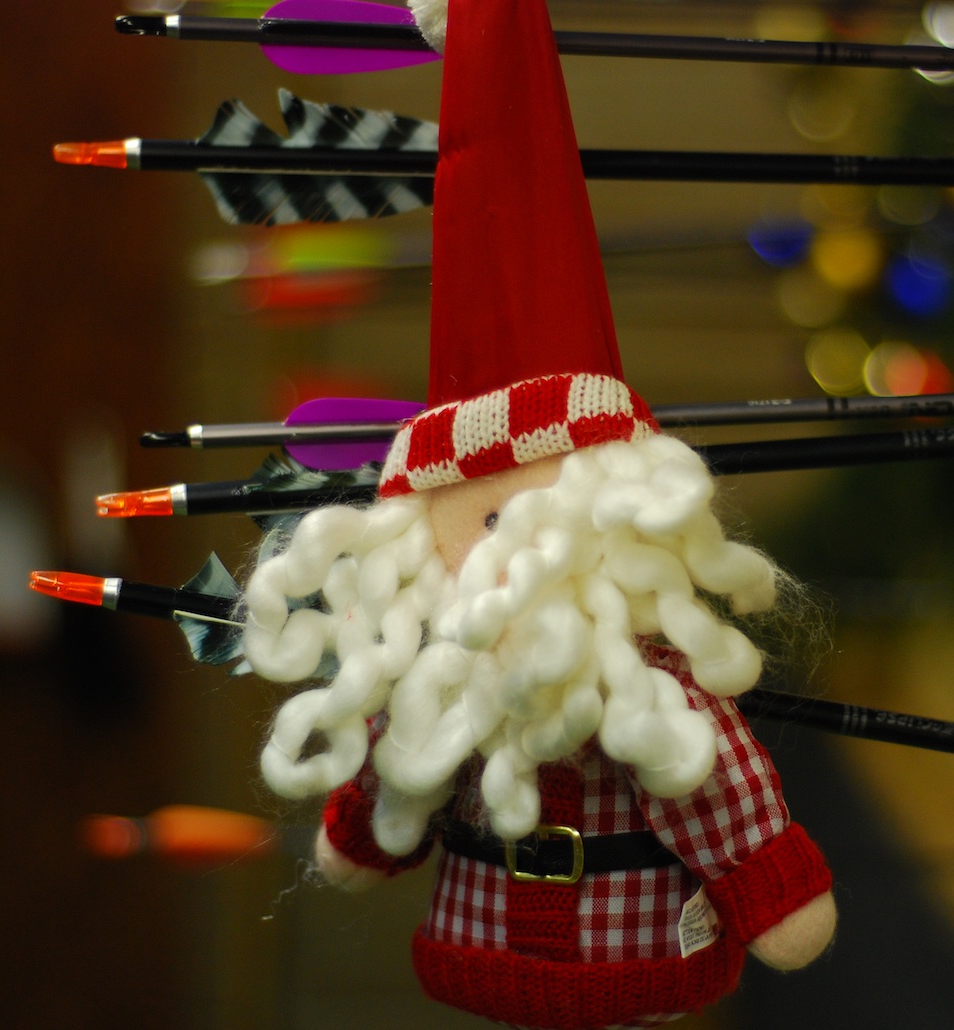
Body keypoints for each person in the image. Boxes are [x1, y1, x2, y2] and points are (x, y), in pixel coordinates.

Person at [240, 0, 835, 1026]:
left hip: (639, 960)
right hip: (477, 954)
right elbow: (394, 780)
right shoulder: (437, 680)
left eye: (548, 514)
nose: (516, 555)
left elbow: (722, 805)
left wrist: (773, 892)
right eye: (484, 523)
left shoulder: (654, 691)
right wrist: (358, 831)